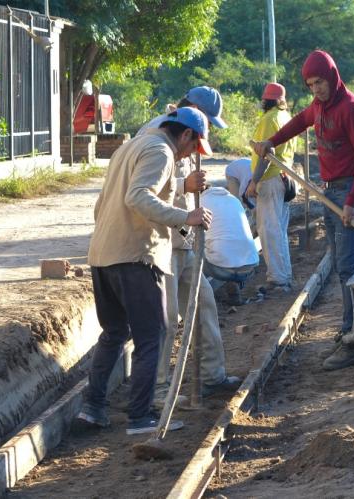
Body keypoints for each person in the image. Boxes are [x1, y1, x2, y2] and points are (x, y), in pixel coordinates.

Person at [77, 108, 214, 433]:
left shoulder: (130, 147)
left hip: (103, 254)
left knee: (114, 333)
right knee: (151, 335)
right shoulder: (161, 151)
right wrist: (187, 219)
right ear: (185, 135)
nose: (189, 155)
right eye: (193, 147)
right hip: (135, 257)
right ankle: (140, 417)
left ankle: (92, 407)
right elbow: (138, 197)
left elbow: (103, 204)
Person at [252, 51, 354, 372]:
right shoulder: (319, 108)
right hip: (331, 190)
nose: (316, 89)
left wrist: (352, 201)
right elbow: (298, 122)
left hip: (351, 192)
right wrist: (270, 143)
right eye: (310, 84)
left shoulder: (351, 109)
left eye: (319, 81)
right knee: (340, 263)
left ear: (332, 76)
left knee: (349, 266)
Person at [139, 86, 241, 406]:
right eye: (205, 123)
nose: (205, 132)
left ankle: (212, 376)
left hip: (183, 232)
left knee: (203, 302)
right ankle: (156, 391)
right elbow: (149, 190)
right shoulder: (156, 135)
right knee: (167, 315)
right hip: (160, 236)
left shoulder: (188, 138)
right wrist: (185, 184)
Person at [245, 82, 297, 292]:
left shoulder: (269, 119)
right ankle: (284, 275)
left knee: (269, 230)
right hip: (285, 179)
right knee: (279, 230)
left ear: (266, 100)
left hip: (270, 180)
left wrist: (254, 181)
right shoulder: (285, 117)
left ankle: (278, 279)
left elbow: (267, 154)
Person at [200, 186, 260, 305]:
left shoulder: (198, 203)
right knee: (225, 245)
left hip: (221, 268)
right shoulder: (233, 199)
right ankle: (234, 289)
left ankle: (201, 297)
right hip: (250, 265)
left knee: (191, 248)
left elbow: (189, 236)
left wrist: (179, 230)